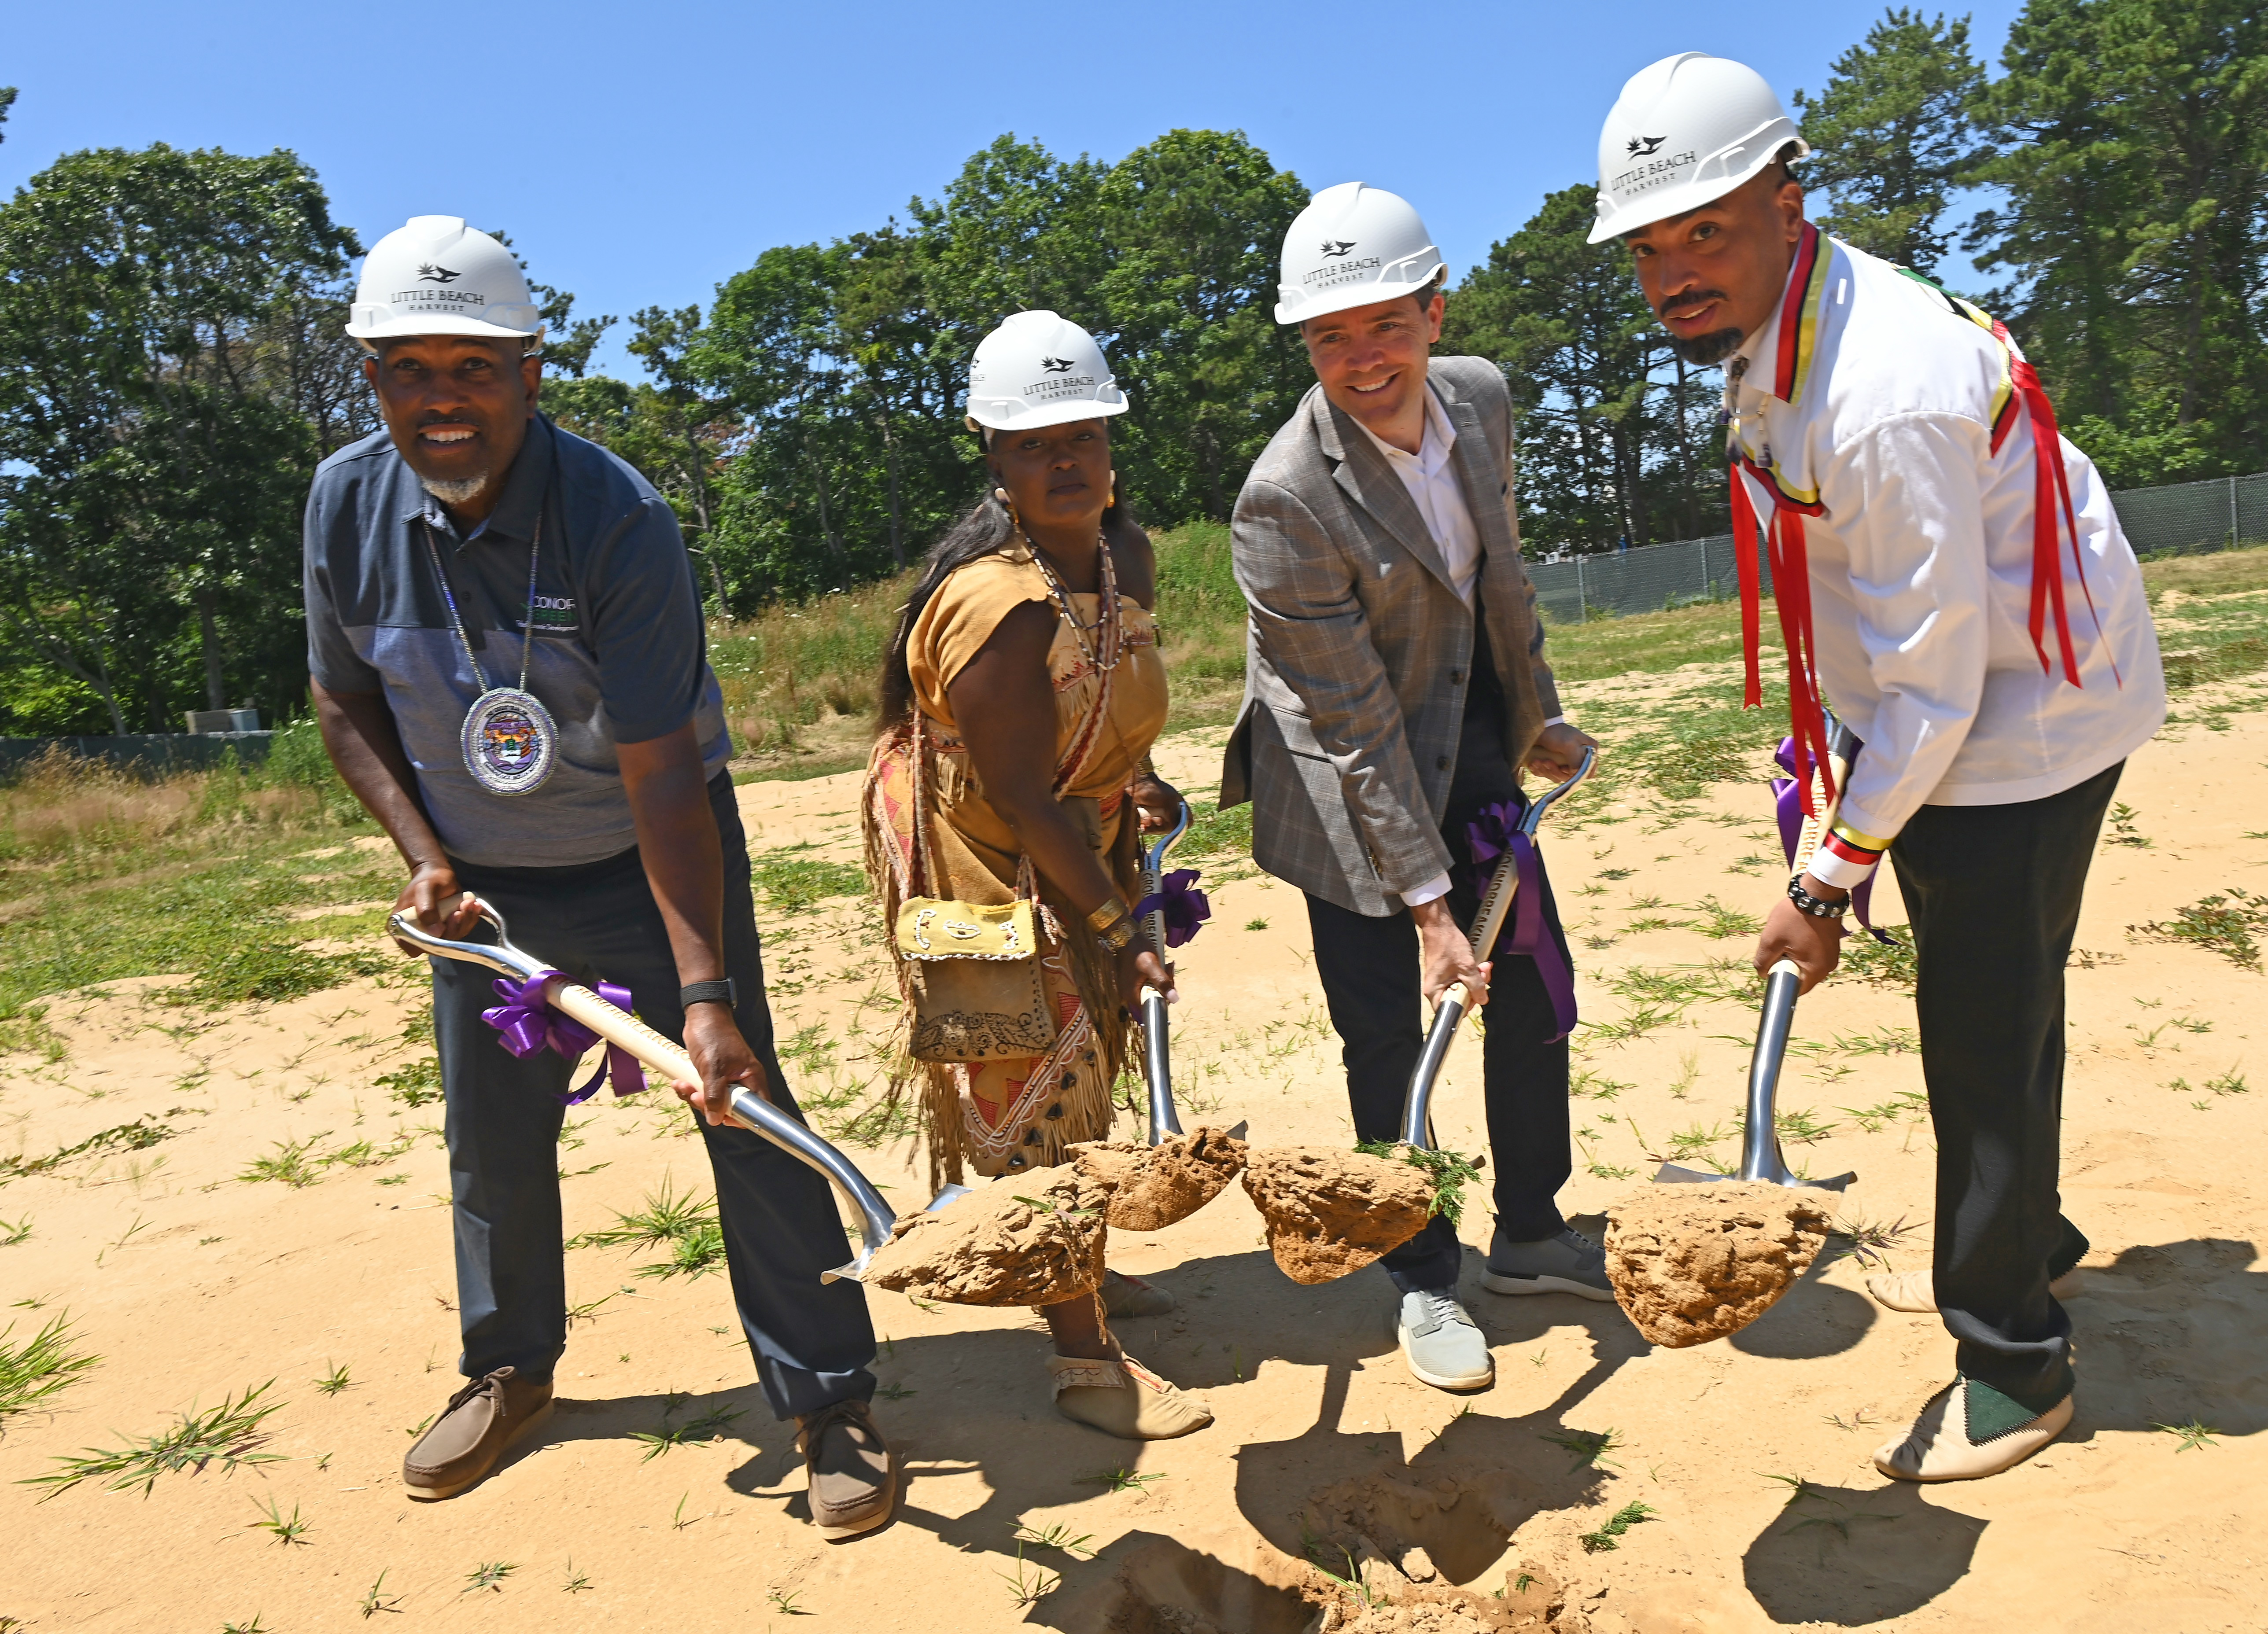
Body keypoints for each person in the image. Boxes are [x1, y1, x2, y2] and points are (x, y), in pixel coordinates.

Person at [1586, 55, 2167, 1480]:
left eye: (1702, 231)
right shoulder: (1787, 327)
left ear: (1786, 198)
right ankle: (2021, 1230)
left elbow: (1936, 683)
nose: (1672, 272)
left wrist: (1823, 874)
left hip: (2010, 728)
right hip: (1951, 712)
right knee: (2001, 999)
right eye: (1646, 247)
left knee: (1978, 1024)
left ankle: (2011, 1356)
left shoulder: (1881, 389)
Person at [304, 216, 893, 1536]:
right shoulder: (346, 503)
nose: (440, 398)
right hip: (487, 896)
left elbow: (663, 770)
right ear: (373, 380)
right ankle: (510, 1372)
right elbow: (341, 702)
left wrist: (705, 992)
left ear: (531, 369)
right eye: (409, 370)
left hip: (650, 850)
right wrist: (426, 861)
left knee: (743, 1115)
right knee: (492, 1139)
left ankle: (829, 1400)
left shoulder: (615, 518)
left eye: (472, 367)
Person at [1221, 184, 1606, 1395]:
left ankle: (1533, 1228)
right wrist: (1432, 910)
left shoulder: (1480, 399)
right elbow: (1350, 725)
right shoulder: (1285, 496)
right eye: (1330, 337)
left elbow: (1503, 577)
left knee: (1534, 987)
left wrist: (1533, 712)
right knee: (1394, 1028)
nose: (1360, 359)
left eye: (1384, 324)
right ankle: (1424, 1274)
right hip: (1340, 786)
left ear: (1436, 312)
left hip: (1472, 737)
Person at [862, 310, 1213, 1441]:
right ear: (995, 459)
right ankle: (1082, 1354)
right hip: (984, 860)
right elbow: (1018, 793)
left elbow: (1103, 697)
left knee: (1094, 1058)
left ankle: (1082, 1267)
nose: (1066, 462)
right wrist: (1116, 923)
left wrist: (1137, 775)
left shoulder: (1125, 555)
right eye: (1033, 444)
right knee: (1035, 1075)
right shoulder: (997, 606)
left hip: (1075, 826)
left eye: (1084, 437)